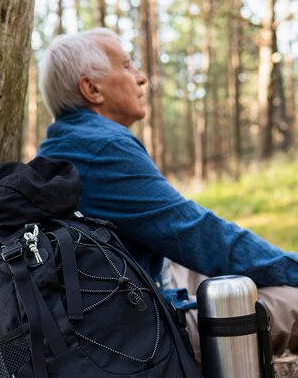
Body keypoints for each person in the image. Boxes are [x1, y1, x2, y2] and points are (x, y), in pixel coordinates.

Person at [37, 27, 298, 358]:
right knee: (293, 302)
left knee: (212, 270)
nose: (141, 78)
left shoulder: (62, 144)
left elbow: (186, 233)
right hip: (136, 342)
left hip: (104, 313)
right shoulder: (102, 147)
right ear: (91, 88)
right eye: (128, 65)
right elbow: (197, 233)